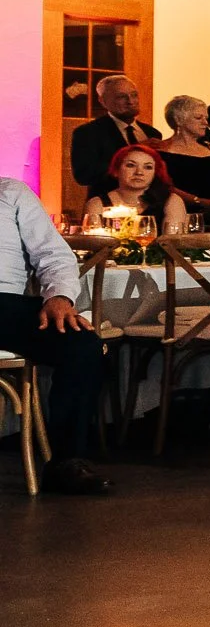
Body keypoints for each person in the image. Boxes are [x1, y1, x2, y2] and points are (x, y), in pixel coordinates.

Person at [2, 175, 113, 492]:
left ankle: (67, 461)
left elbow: (53, 254)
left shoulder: (11, 192)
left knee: (80, 343)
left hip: (5, 306)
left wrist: (59, 299)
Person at [69, 73, 161, 203]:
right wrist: (130, 151)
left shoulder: (152, 133)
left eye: (134, 95)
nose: (131, 101)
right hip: (107, 205)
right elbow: (84, 175)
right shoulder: (88, 132)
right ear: (103, 101)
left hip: (149, 205)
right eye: (121, 97)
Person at [152, 96, 210, 224]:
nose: (205, 123)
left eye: (206, 118)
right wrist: (200, 201)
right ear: (178, 120)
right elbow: (164, 187)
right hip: (181, 216)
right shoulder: (161, 151)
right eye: (198, 118)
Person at [81, 144, 188, 234]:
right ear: (116, 170)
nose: (139, 172)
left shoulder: (172, 201)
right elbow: (94, 245)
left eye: (148, 167)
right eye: (131, 165)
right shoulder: (96, 203)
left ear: (156, 173)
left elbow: (173, 243)